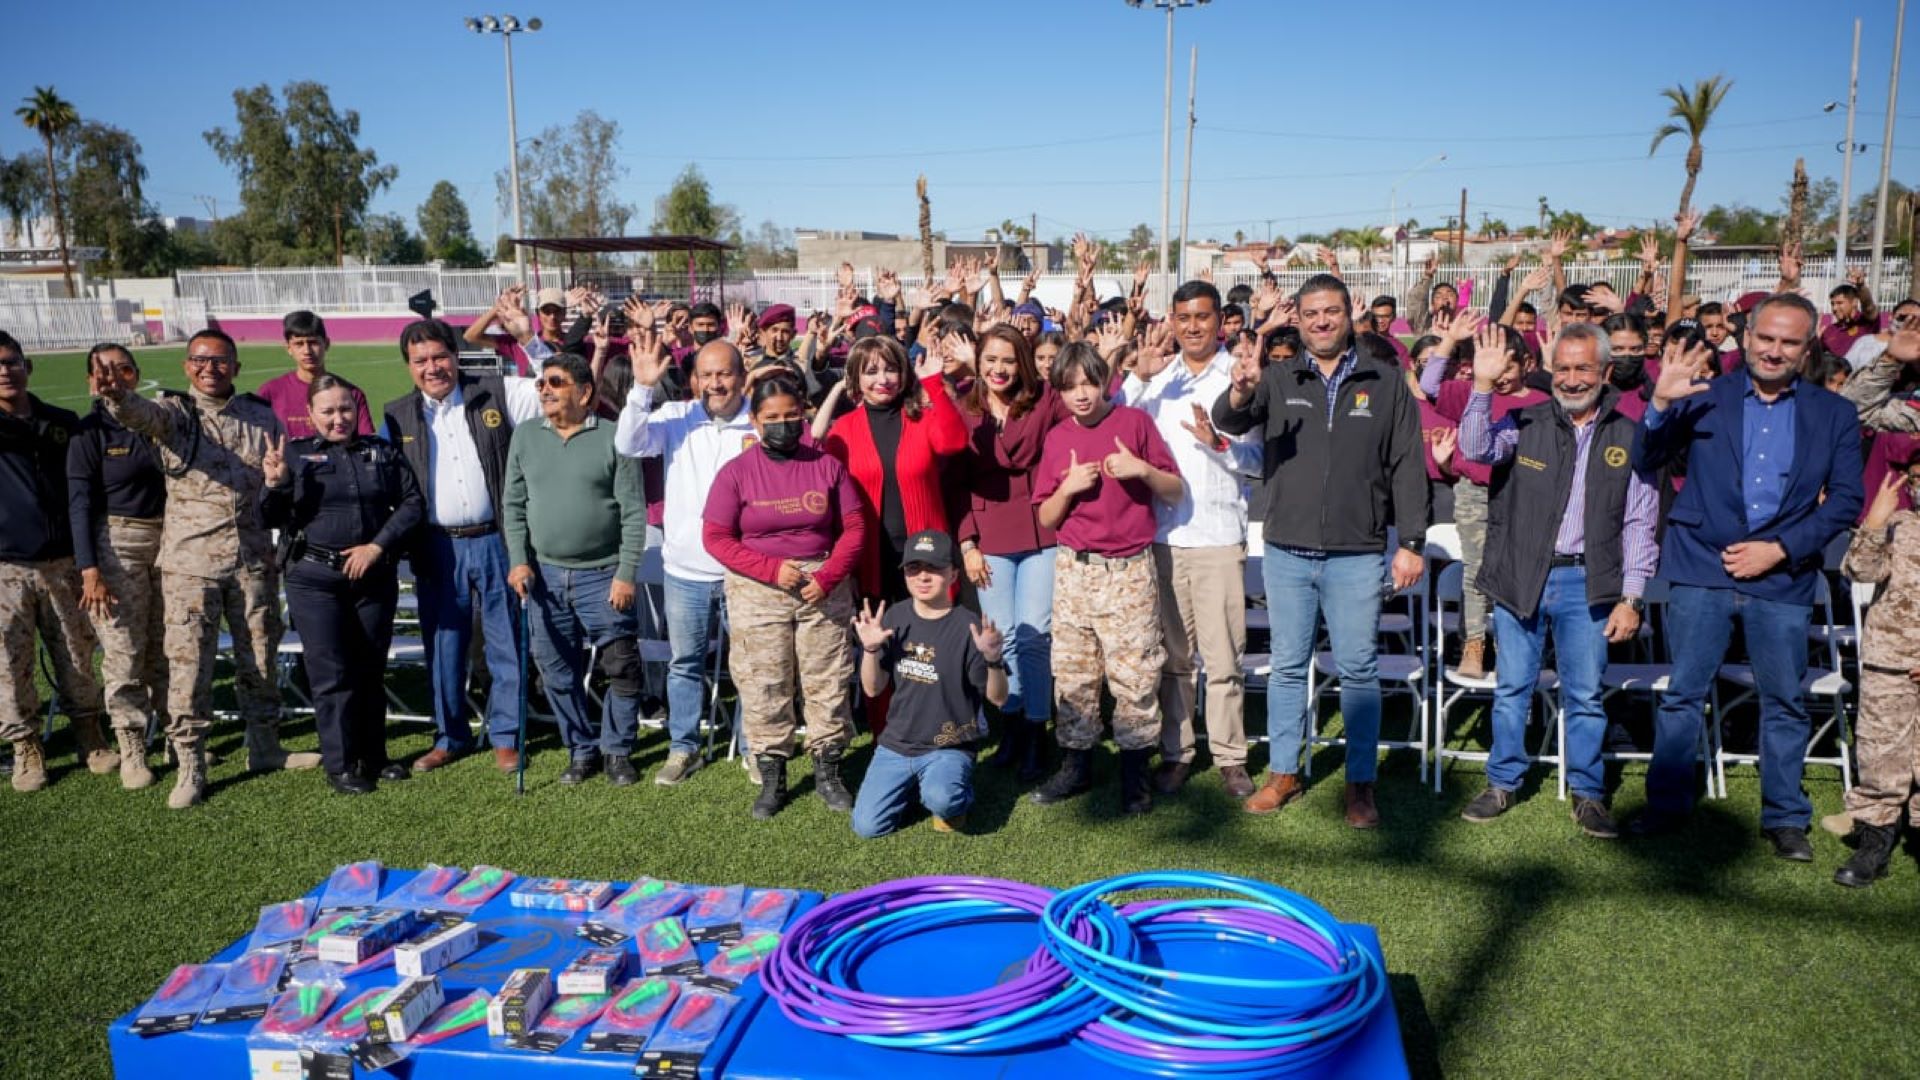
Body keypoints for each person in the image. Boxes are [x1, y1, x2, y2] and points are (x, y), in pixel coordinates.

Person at [1631, 294, 1864, 857]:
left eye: (1789, 342)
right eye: (1766, 338)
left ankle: (1784, 816)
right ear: (1747, 336)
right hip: (1701, 567)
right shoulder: (1706, 394)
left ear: (1808, 347)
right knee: (1684, 693)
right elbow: (1646, 459)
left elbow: (1846, 502)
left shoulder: (1833, 413)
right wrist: (1660, 405)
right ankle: (1666, 803)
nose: (1775, 350)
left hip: (1781, 577)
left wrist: (1779, 549)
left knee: (1783, 699)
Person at [1214, 273, 1428, 829]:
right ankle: (1284, 773)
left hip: (1357, 552)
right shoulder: (1278, 376)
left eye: (1331, 311)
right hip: (1287, 549)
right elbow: (1228, 419)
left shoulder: (1385, 380)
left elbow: (1408, 464)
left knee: (1358, 669)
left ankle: (1361, 784)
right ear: (1299, 319)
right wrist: (1241, 388)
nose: (1321, 322)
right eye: (1311, 314)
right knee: (1287, 666)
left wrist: (1410, 542)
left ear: (1349, 313)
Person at [1455, 323, 1660, 838]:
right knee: (1511, 690)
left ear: (1606, 372)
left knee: (1586, 695)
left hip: (1588, 583)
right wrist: (1481, 386)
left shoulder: (1630, 435)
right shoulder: (1522, 421)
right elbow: (1475, 449)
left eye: (1582, 368)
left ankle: (1588, 794)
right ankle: (1502, 782)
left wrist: (1632, 596)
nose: (1571, 379)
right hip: (1522, 574)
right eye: (1563, 368)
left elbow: (1640, 520)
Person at [101, 328, 318, 809]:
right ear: (186, 366)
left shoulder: (261, 417)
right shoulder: (175, 415)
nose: (210, 368)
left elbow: (278, 486)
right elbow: (140, 416)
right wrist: (119, 397)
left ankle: (264, 747)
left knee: (260, 660)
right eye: (200, 360)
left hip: (252, 561)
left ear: (236, 367)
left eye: (220, 361)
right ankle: (190, 763)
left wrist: (279, 482)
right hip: (191, 565)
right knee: (190, 670)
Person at [702, 371, 867, 819]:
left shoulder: (826, 465)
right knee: (765, 683)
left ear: (804, 416)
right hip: (760, 588)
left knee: (827, 680)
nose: (782, 424)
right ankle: (773, 777)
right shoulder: (736, 473)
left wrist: (828, 576)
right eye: (772, 417)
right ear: (755, 421)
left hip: (821, 587)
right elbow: (716, 537)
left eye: (791, 416)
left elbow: (853, 528)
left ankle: (829, 771)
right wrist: (773, 569)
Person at [1119, 281, 1261, 799]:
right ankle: (1177, 752)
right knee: (1174, 661)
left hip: (1219, 537)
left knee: (1224, 660)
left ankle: (1230, 757)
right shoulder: (1158, 378)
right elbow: (1112, 419)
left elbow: (1259, 461)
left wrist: (1218, 443)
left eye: (1203, 317)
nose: (1193, 327)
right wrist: (1138, 375)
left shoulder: (1240, 377)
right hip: (1163, 536)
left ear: (1220, 320)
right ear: (1172, 322)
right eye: (1184, 318)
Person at [1030, 341, 1184, 815]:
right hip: (1075, 570)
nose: (1081, 394)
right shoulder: (1057, 438)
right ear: (1057, 391)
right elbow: (1047, 517)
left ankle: (1134, 771)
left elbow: (1175, 490)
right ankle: (1076, 765)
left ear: (1105, 382)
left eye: (1089, 383)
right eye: (1070, 386)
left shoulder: (1134, 423)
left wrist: (1142, 470)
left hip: (1128, 571)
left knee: (1135, 674)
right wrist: (1070, 487)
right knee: (1074, 674)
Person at [383, 319, 542, 775]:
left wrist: (526, 338)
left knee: (505, 643)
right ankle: (450, 736)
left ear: (455, 355)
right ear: (409, 367)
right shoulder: (395, 415)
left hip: (497, 540)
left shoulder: (497, 391)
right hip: (436, 547)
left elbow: (556, 381)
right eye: (421, 361)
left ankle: (507, 737)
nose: (432, 368)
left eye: (439, 356)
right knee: (444, 645)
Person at [262, 375, 424, 795]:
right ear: (311, 414)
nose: (339, 419)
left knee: (370, 667)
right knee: (332, 672)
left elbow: (411, 503)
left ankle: (374, 754)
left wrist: (377, 546)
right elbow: (269, 517)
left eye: (346, 409)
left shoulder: (381, 451)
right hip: (316, 580)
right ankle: (341, 764)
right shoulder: (294, 456)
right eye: (328, 411)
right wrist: (276, 484)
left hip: (372, 575)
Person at [614, 335, 756, 786]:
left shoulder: (759, 420)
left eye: (725, 373)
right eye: (707, 374)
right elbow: (628, 443)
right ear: (695, 379)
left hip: (745, 573)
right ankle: (683, 748)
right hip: (685, 572)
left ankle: (756, 748)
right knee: (684, 663)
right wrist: (641, 388)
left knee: (752, 664)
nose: (716, 384)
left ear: (742, 376)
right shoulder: (676, 415)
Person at [504, 351, 649, 785]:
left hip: (604, 574)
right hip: (544, 576)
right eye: (541, 383)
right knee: (555, 670)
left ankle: (617, 751)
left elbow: (633, 511)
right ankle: (580, 749)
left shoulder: (613, 437)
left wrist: (626, 571)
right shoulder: (526, 436)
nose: (544, 389)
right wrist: (517, 562)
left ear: (585, 392)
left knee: (621, 666)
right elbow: (512, 506)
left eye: (556, 382)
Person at [0, 331, 112, 792]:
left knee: (76, 651)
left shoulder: (62, 422)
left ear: (29, 366)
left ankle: (90, 732)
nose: (5, 371)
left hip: (66, 562)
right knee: (9, 661)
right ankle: (26, 746)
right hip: (7, 566)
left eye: (11, 362)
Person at [954, 326, 1064, 780]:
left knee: (1035, 636)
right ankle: (1012, 726)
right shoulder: (964, 404)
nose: (999, 369)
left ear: (1023, 362)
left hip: (1041, 532)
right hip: (987, 535)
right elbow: (954, 477)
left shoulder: (1045, 399)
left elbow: (1086, 390)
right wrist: (967, 543)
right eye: (990, 360)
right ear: (978, 362)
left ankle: (1037, 731)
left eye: (1008, 360)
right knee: (1005, 640)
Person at [849, 531, 1009, 838]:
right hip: (897, 744)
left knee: (945, 801)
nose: (923, 576)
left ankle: (949, 793)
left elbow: (999, 699)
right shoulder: (894, 616)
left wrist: (993, 659)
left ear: (953, 574)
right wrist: (870, 650)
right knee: (867, 828)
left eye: (934, 568)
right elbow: (872, 688)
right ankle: (919, 787)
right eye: (914, 568)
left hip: (948, 746)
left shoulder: (968, 625)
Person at [1422, 314, 1548, 678]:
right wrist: (1449, 340)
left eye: (1509, 363)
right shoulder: (1472, 392)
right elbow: (1429, 385)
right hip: (1475, 494)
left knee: (1522, 573)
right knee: (1476, 571)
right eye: (1492, 363)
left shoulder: (1542, 402)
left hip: (1524, 499)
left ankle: (1512, 649)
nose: (1501, 373)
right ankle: (1474, 646)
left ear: (1525, 363)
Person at [66, 344, 168, 789]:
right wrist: (90, 569)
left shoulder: (157, 422)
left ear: (136, 374)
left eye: (124, 369)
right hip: (118, 542)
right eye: (104, 372)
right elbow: (79, 503)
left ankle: (176, 733)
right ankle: (131, 745)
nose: (116, 378)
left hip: (170, 538)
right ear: (91, 381)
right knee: (124, 648)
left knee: (169, 645)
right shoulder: (89, 432)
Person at [823, 336, 968, 606]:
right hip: (871, 557)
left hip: (926, 551)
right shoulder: (843, 429)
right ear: (855, 378)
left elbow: (954, 442)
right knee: (880, 640)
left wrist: (933, 383)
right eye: (871, 371)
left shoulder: (921, 417)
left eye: (891, 369)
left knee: (925, 644)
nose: (883, 379)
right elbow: (833, 499)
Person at [1829, 461, 1920, 887]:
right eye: (1917, 479)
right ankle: (1875, 843)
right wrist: (1875, 521)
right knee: (1880, 757)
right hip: (1890, 660)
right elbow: (1860, 572)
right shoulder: (1899, 524)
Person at [255, 311, 373, 439]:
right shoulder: (270, 393)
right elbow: (257, 441)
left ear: (326, 344)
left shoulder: (351, 393)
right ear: (288, 348)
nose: (307, 351)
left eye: (313, 343)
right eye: (299, 344)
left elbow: (367, 443)